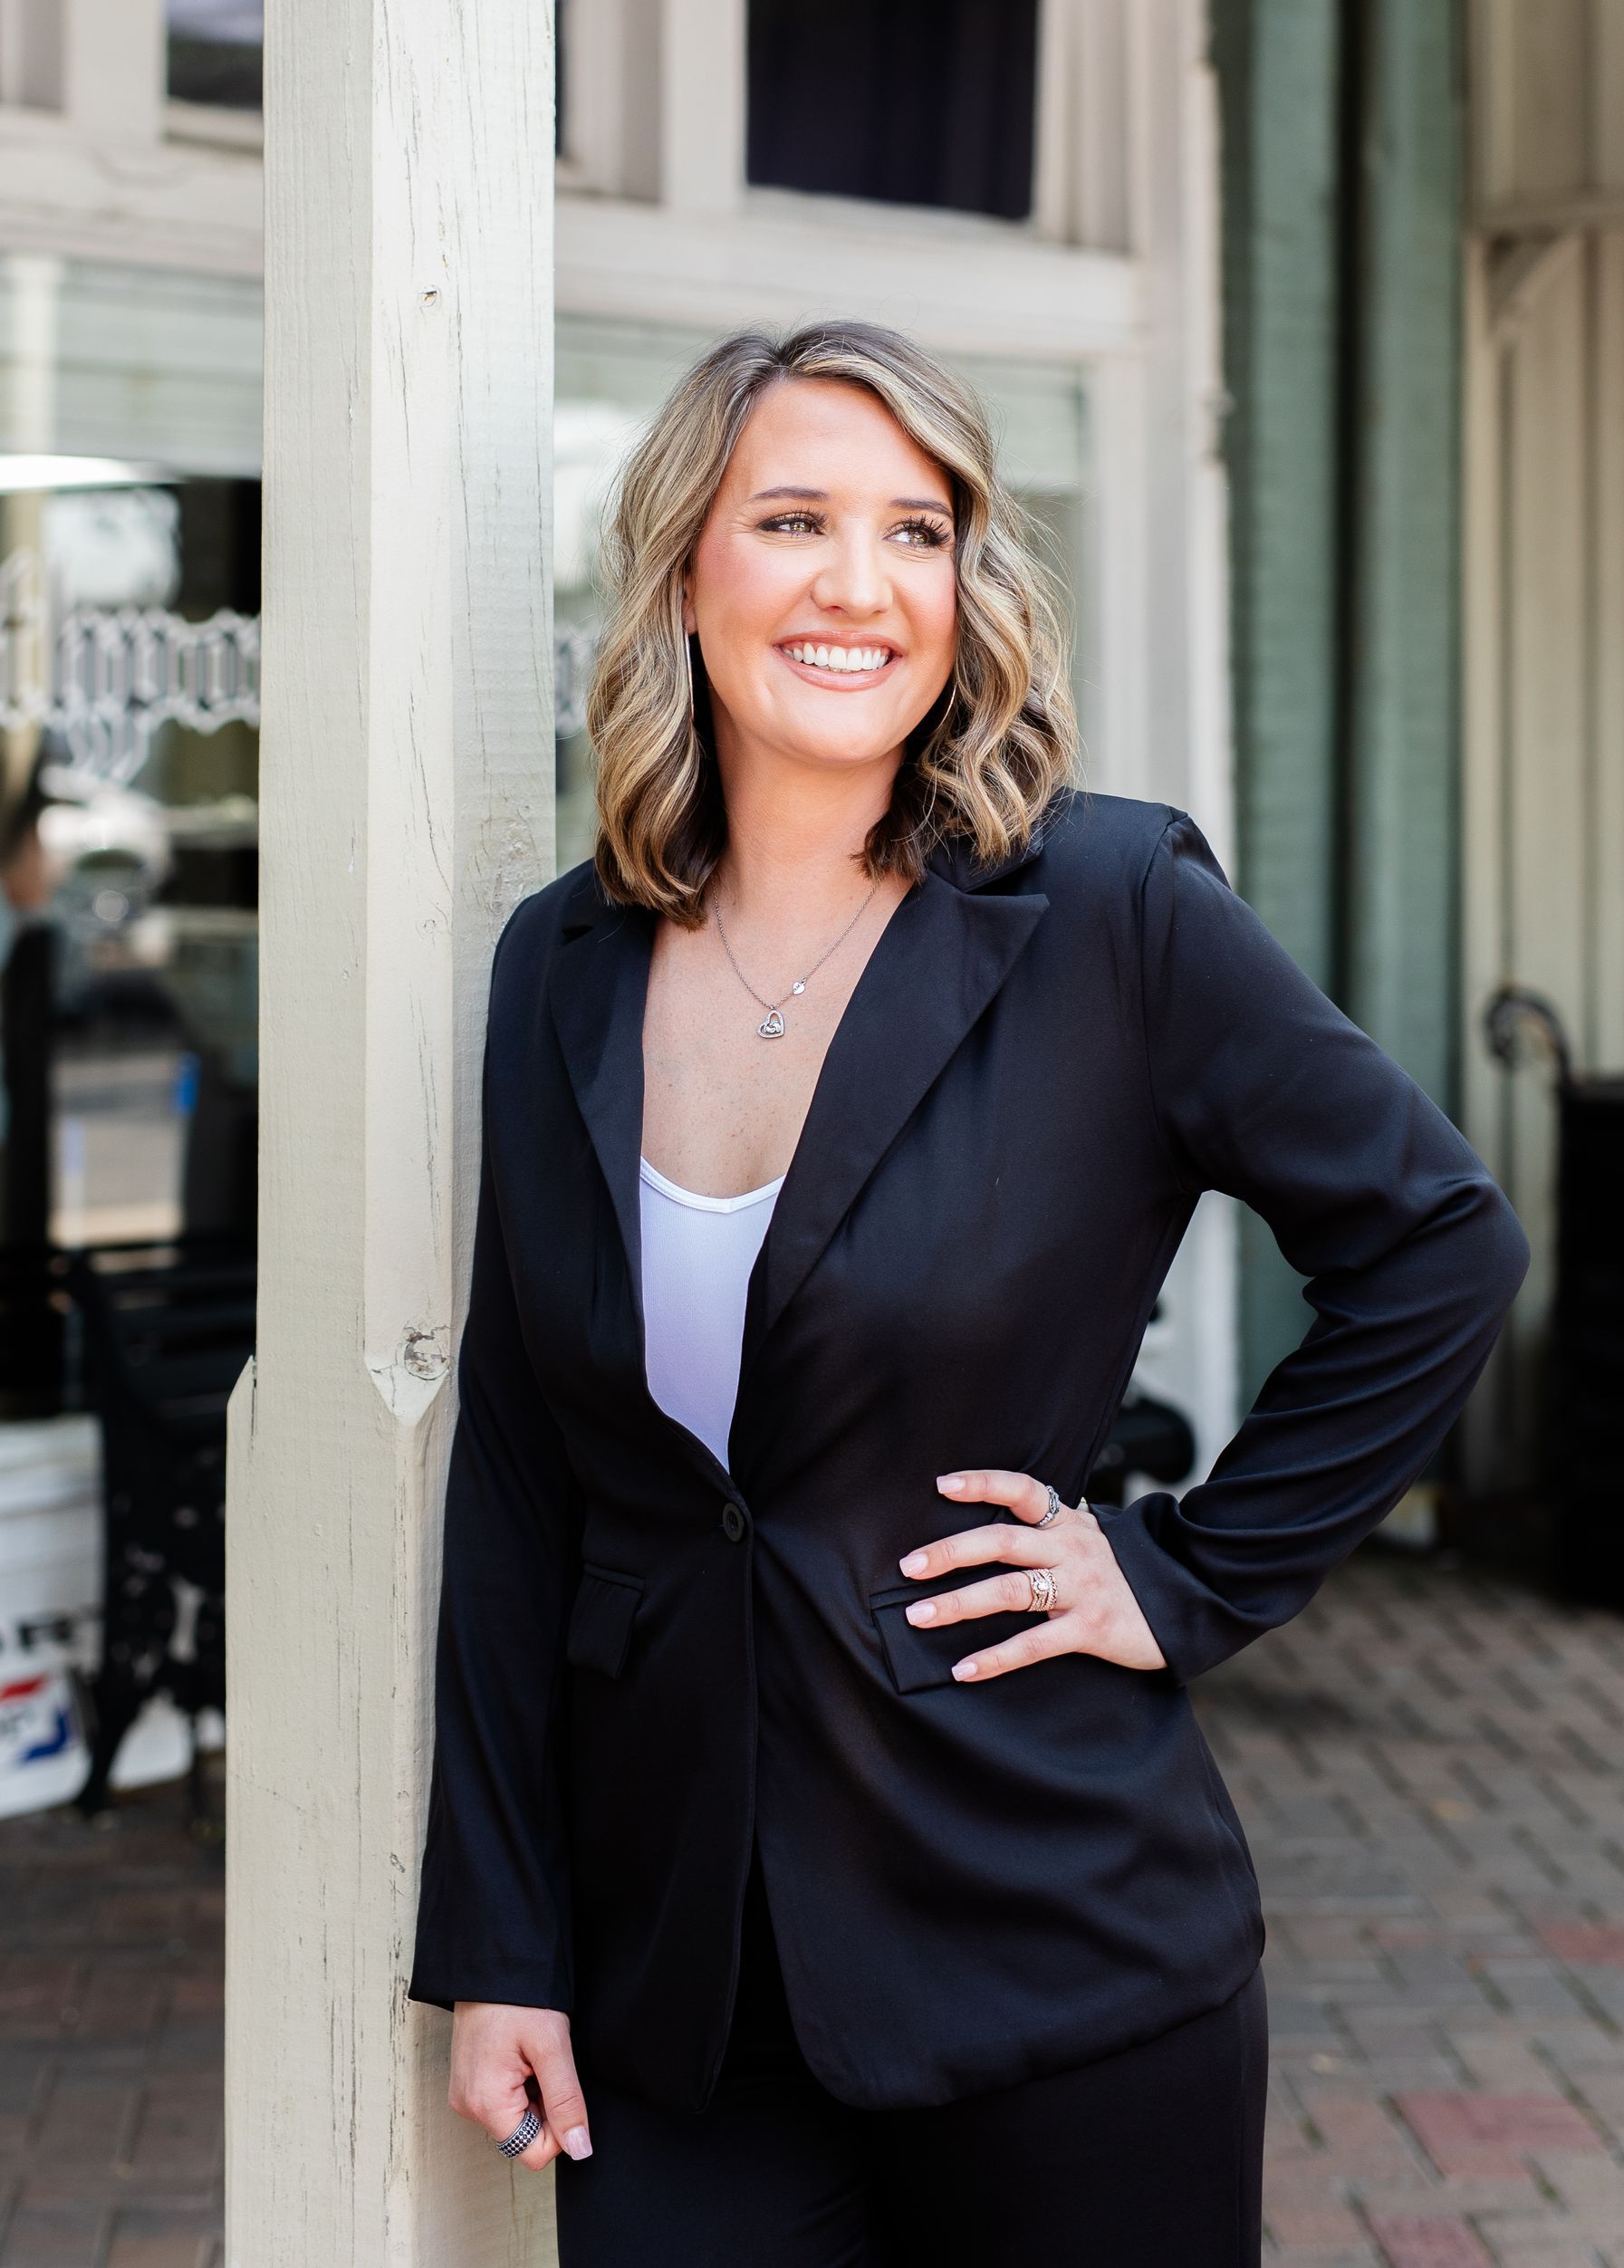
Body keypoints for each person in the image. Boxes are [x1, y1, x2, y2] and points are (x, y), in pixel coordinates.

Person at [409, 322, 1527, 2265]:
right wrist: (502, 1937)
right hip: (679, 1989)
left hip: (1050, 1943)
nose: (861, 584)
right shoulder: (559, 970)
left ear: (962, 584)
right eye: (794, 520)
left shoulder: (1111, 913)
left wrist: (1185, 1574)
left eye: (914, 531)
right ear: (685, 568)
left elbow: (1440, 1243)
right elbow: (519, 1471)